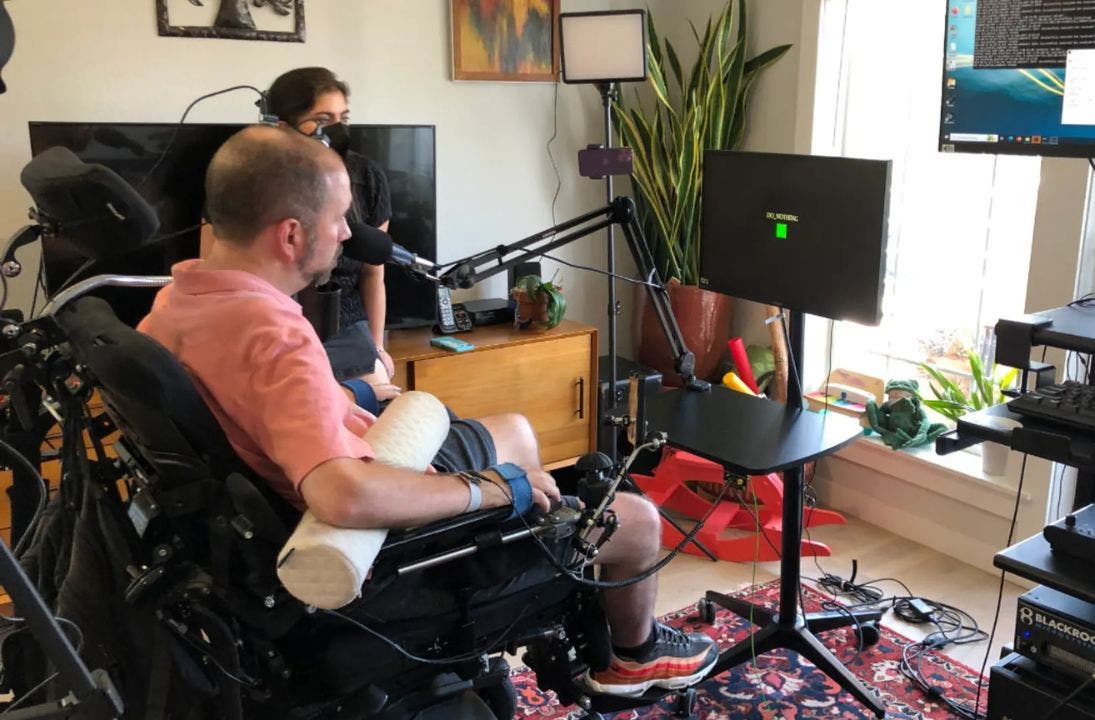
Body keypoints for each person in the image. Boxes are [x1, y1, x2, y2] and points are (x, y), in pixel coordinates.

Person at [142, 126, 718, 698]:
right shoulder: (273, 334)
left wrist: (350, 395)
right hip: (382, 544)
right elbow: (342, 496)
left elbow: (257, 407)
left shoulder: (179, 300)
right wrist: (493, 490)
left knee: (516, 431)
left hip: (297, 502)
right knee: (637, 520)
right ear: (291, 234)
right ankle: (630, 658)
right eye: (340, 217)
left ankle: (547, 597)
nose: (348, 233)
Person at [200, 67, 396, 390]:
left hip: (348, 335)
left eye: (343, 119)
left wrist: (378, 348)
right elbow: (214, 274)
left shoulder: (367, 177)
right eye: (321, 120)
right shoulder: (242, 179)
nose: (336, 131)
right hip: (267, 332)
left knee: (388, 403)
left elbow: (373, 274)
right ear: (280, 126)